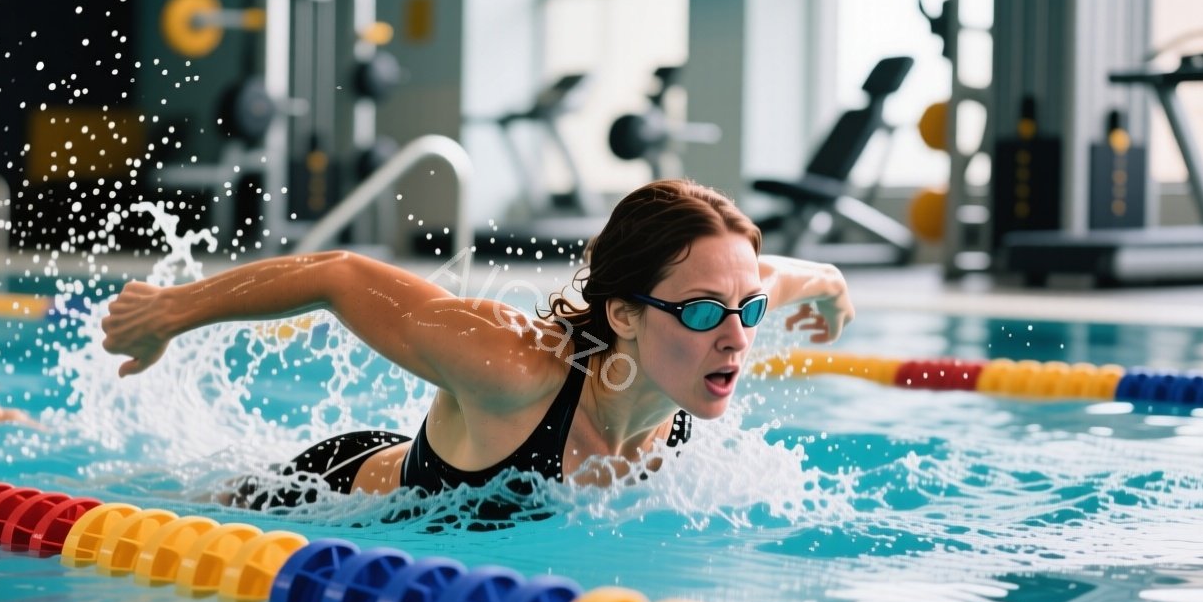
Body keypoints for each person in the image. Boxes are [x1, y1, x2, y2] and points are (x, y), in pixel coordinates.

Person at [100, 179, 853, 509]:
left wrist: (825, 281)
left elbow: (774, 278)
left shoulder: (714, 328)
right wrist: (169, 309)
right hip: (326, 498)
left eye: (747, 310)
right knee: (172, 497)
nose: (735, 338)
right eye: (700, 314)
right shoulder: (515, 368)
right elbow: (338, 273)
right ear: (623, 313)